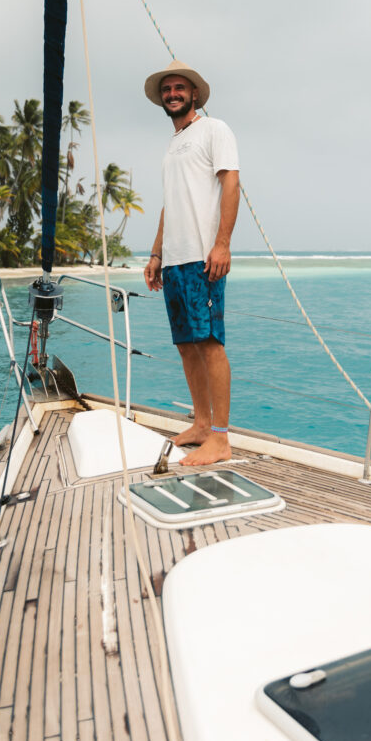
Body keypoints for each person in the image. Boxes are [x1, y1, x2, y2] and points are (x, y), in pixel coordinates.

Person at [143, 59, 240, 466]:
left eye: (179, 88)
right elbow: (171, 204)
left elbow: (231, 182)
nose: (173, 94)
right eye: (167, 89)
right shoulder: (172, 145)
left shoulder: (214, 130)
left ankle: (220, 437)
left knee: (209, 342)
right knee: (186, 345)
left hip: (203, 258)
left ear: (194, 93)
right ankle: (201, 424)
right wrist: (156, 253)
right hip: (175, 262)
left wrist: (222, 244)